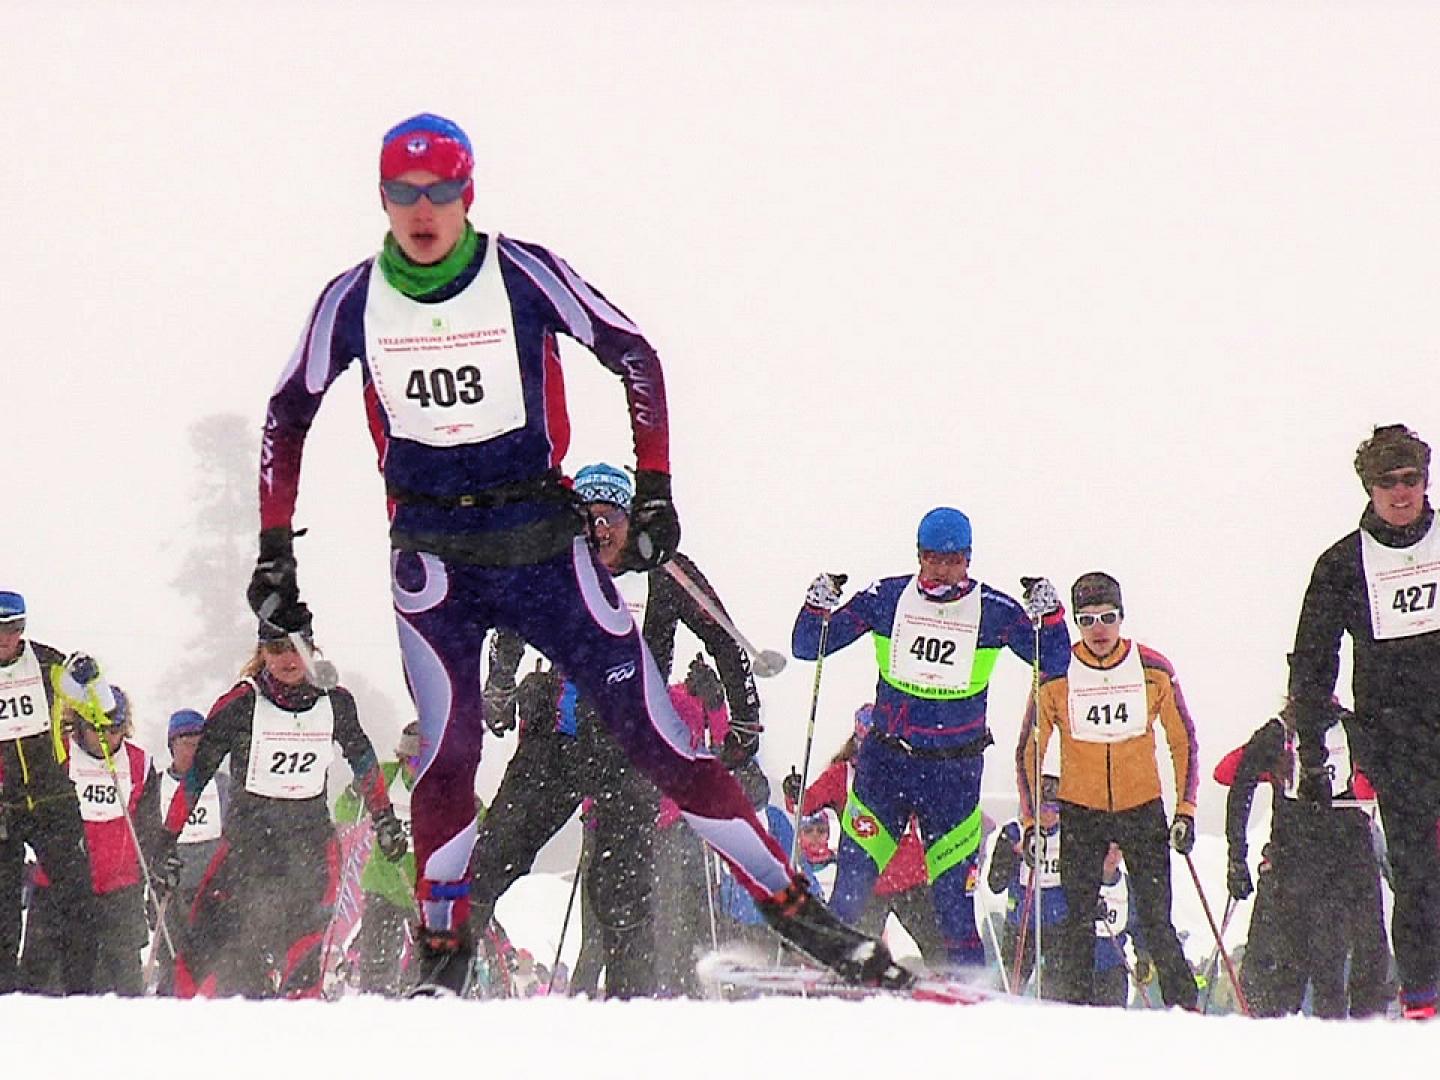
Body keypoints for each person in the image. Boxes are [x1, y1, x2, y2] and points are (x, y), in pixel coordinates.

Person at [245, 112, 898, 995]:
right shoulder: (353, 299)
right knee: (447, 756)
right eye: (405, 191)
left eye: (440, 190)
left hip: (543, 552)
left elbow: (634, 354)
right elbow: (288, 412)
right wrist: (274, 556)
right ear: (383, 199)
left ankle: (807, 922)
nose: (423, 208)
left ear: (468, 193)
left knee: (662, 742)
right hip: (433, 561)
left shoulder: (521, 273)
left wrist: (657, 487)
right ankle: (444, 958)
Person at [474, 462, 763, 998]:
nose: (598, 531)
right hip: (554, 748)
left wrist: (744, 717)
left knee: (623, 902)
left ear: (631, 523)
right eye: (585, 519)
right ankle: (438, 985)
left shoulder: (665, 572)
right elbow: (508, 629)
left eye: (609, 518)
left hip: (627, 757)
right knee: (487, 865)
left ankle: (633, 1012)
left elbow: (726, 639)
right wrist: (499, 689)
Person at [793, 507, 1070, 968]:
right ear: (919, 556)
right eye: (933, 559)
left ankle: (970, 988)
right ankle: (829, 967)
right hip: (886, 764)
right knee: (852, 886)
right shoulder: (887, 597)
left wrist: (1051, 615)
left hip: (953, 773)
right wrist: (816, 606)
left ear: (968, 559)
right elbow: (809, 646)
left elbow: (1055, 660)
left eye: (954, 560)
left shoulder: (994, 610)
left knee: (951, 902)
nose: (943, 571)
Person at [1287, 423, 1440, 1020]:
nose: (1401, 493)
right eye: (1387, 482)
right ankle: (1424, 999)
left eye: (1411, 479)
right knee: (1415, 872)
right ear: (1368, 489)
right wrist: (1311, 746)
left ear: (1426, 481)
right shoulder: (1342, 564)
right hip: (1393, 736)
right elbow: (1313, 658)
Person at [163, 626, 408, 998]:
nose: (288, 659)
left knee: (303, 963)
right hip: (245, 853)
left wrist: (385, 818)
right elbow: (198, 776)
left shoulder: (335, 702)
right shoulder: (241, 704)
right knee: (206, 959)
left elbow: (364, 761)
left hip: (309, 855)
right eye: (277, 649)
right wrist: (165, 839)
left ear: (312, 649)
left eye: (297, 647)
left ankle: (297, 1039)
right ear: (263, 652)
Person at [1017, 571, 1199, 1009]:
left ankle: (1186, 1008)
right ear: (1077, 623)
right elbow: (1028, 749)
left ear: (1122, 617)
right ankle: (1074, 1013)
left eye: (1108, 617)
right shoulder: (1056, 672)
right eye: (1086, 619)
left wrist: (1186, 809)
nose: (1098, 629)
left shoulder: (1153, 668)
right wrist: (1029, 820)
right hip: (1082, 811)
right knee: (1076, 922)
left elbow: (1183, 739)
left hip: (1142, 808)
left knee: (1156, 921)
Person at [1218, 699, 1391, 1017]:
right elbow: (1232, 776)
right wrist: (1236, 857)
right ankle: (1285, 1027)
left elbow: (1232, 778)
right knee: (1302, 966)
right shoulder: (1278, 735)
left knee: (1329, 965)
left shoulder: (1348, 729)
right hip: (1302, 862)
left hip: (1330, 862)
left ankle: (1361, 1026)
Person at [24, 671, 162, 996]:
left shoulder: (139, 763)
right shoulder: (60, 755)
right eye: (95, 728)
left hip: (118, 887)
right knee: (44, 978)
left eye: (113, 730)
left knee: (122, 980)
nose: (104, 737)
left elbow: (148, 827)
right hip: (60, 883)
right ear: (81, 725)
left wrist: (152, 869)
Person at [785, 704, 945, 968]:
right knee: (856, 951)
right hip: (866, 884)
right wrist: (795, 792)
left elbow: (936, 806)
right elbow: (805, 804)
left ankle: (954, 984)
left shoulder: (909, 771)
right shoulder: (842, 775)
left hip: (911, 881)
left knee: (939, 949)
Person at [0, 591, 98, 994]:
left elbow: (99, 709)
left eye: (11, 629)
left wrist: (91, 680)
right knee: (4, 905)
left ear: (22, 629)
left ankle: (81, 991)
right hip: (4, 801)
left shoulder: (47, 663)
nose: (3, 638)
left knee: (76, 895)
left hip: (52, 795)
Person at [335, 721, 423, 996]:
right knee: (376, 965)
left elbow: (476, 818)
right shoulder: (385, 776)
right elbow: (344, 811)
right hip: (383, 886)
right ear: (403, 757)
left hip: (426, 890)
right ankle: (376, 1006)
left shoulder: (445, 783)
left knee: (427, 967)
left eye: (425, 760)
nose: (417, 768)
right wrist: (353, 792)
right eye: (412, 760)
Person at [156, 708, 230, 992]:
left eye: (200, 744)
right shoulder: (159, 785)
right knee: (174, 962)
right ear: (172, 746)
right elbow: (150, 837)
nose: (193, 751)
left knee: (216, 964)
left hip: (212, 889)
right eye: (186, 743)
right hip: (173, 892)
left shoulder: (223, 785)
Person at [986, 776, 1066, 995]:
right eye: (1044, 807)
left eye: (1055, 808)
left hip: (1057, 926)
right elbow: (995, 883)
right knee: (1008, 989)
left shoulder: (1069, 835)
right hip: (1021, 924)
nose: (1050, 815)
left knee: (1057, 994)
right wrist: (1014, 854)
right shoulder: (1014, 832)